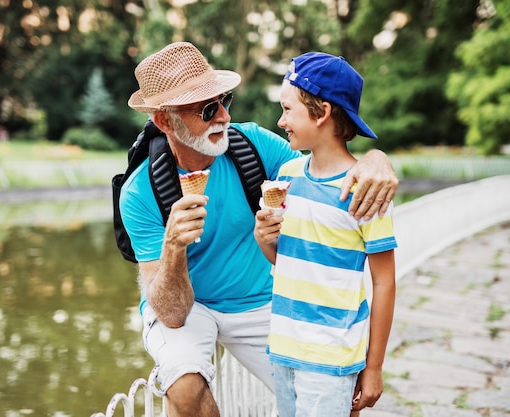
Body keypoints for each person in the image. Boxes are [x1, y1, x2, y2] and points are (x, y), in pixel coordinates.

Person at [120, 42, 398, 417]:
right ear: (165, 121)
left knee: (339, 394)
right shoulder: (139, 193)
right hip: (189, 309)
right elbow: (171, 314)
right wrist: (173, 247)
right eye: (206, 109)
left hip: (262, 303)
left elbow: (326, 160)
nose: (222, 117)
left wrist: (375, 159)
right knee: (183, 389)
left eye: (224, 101)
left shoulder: (253, 146)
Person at [253, 52, 397, 417]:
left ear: (322, 112)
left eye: (288, 110)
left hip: (331, 356)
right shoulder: (286, 175)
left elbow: (384, 282)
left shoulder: (366, 191)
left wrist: (374, 367)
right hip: (284, 349)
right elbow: (288, 257)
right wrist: (264, 237)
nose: (281, 120)